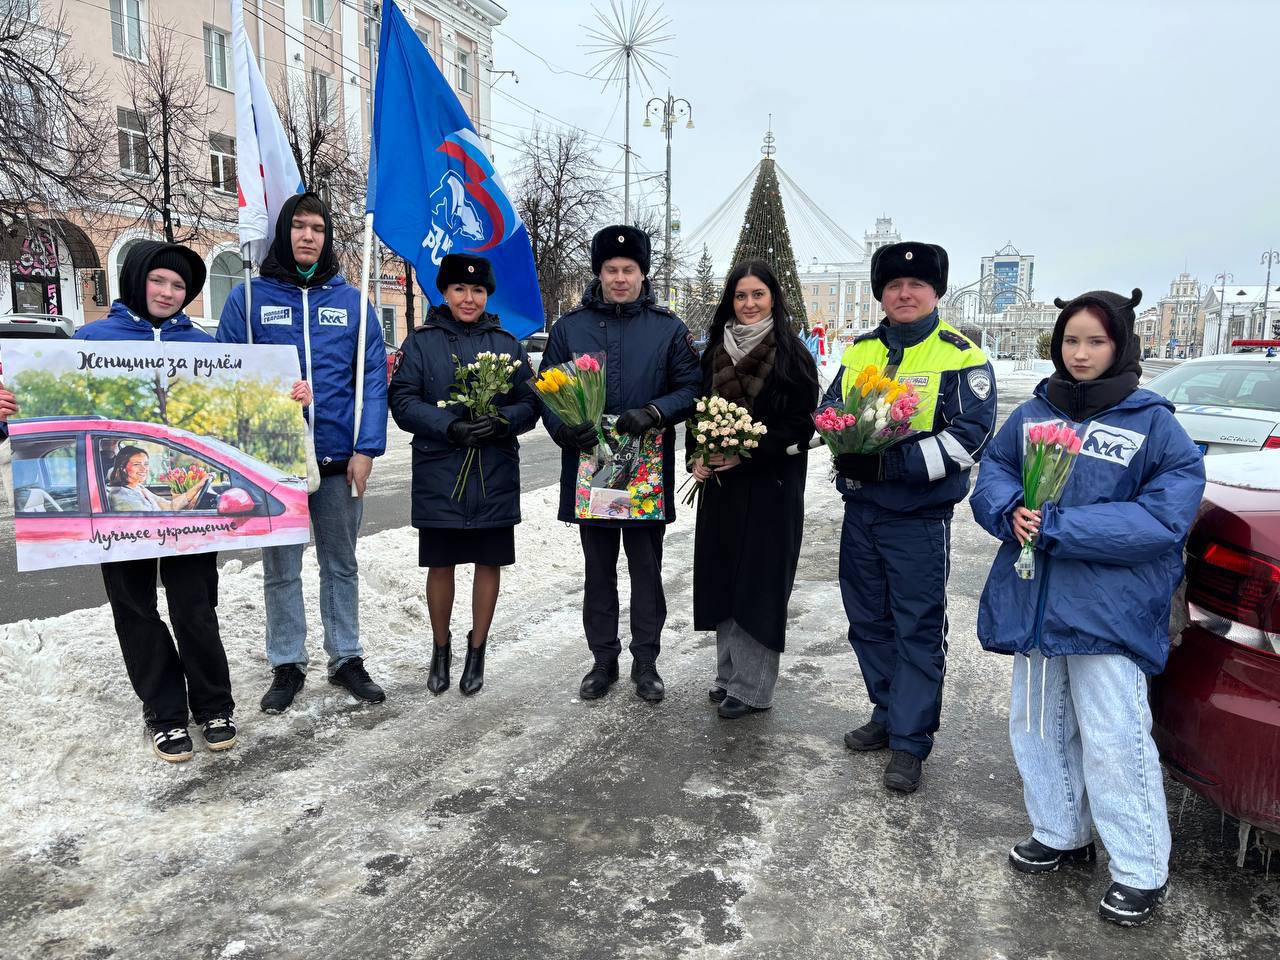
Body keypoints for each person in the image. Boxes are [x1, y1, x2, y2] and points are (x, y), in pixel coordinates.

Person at [3, 242, 304, 762]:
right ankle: (164, 712)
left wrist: (286, 399)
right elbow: (41, 420)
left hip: (187, 524)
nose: (168, 293)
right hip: (113, 513)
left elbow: (235, 416)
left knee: (195, 606)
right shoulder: (91, 341)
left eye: (180, 286)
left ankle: (213, 704)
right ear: (137, 279)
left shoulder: (205, 348)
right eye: (159, 281)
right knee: (135, 609)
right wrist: (11, 406)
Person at [970, 288, 1205, 927]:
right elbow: (993, 468)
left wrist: (1059, 528)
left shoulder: (1152, 422)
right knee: (1037, 724)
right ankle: (1060, 829)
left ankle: (1139, 866)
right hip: (1036, 603)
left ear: (1121, 346)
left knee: (1114, 736)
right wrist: (1004, 508)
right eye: (1071, 340)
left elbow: (1163, 516)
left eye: (1095, 341)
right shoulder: (1034, 411)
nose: (1080, 354)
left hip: (1108, 612)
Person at [818, 241, 997, 794]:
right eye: (893, 285)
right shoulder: (860, 351)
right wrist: (835, 440)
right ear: (881, 294)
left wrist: (888, 465)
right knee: (867, 619)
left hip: (918, 519)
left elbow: (971, 437)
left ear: (936, 292)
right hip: (862, 514)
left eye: (916, 285)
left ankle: (912, 741)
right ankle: (887, 709)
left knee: (916, 626)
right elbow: (831, 410)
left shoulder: (960, 355)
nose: (904, 293)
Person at [217, 191, 389, 713]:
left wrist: (367, 449)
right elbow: (226, 374)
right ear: (283, 234)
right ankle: (287, 662)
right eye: (299, 227)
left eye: (317, 227)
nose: (308, 236)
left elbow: (374, 379)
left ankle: (346, 657)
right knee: (281, 567)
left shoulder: (352, 302)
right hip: (276, 462)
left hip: (340, 459)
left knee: (341, 562)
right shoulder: (249, 298)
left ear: (328, 236)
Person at [540, 225, 700, 702]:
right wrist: (565, 429)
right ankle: (603, 660)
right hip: (593, 469)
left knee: (646, 567)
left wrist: (654, 412)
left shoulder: (668, 328)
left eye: (629, 270)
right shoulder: (570, 328)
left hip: (644, 469)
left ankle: (646, 661)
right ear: (599, 272)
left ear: (643, 273)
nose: (620, 278)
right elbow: (548, 389)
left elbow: (691, 388)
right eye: (611, 269)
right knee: (599, 568)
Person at [388, 254, 538, 696]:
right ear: (445, 293)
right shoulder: (421, 342)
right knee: (441, 563)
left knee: (489, 562)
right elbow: (403, 401)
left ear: (487, 295)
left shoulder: (506, 344)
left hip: (492, 472)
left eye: (477, 291)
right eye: (459, 289)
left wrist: (503, 421)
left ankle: (477, 648)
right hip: (441, 471)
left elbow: (532, 403)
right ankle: (440, 648)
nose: (468, 298)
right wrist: (448, 426)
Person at [687, 261, 818, 718]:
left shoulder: (791, 355)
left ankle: (753, 687)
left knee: (758, 583)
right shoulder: (711, 353)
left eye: (757, 295)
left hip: (770, 488)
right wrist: (698, 456)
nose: (748, 304)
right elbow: (696, 413)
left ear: (773, 299)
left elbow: (801, 426)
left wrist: (748, 452)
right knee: (724, 577)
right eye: (741, 296)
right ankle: (728, 676)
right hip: (721, 489)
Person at [105, 446, 209, 512]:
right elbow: (153, 524)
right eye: (137, 464)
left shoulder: (138, 488)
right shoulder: (121, 497)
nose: (144, 468)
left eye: (146, 464)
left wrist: (198, 486)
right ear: (123, 468)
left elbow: (169, 506)